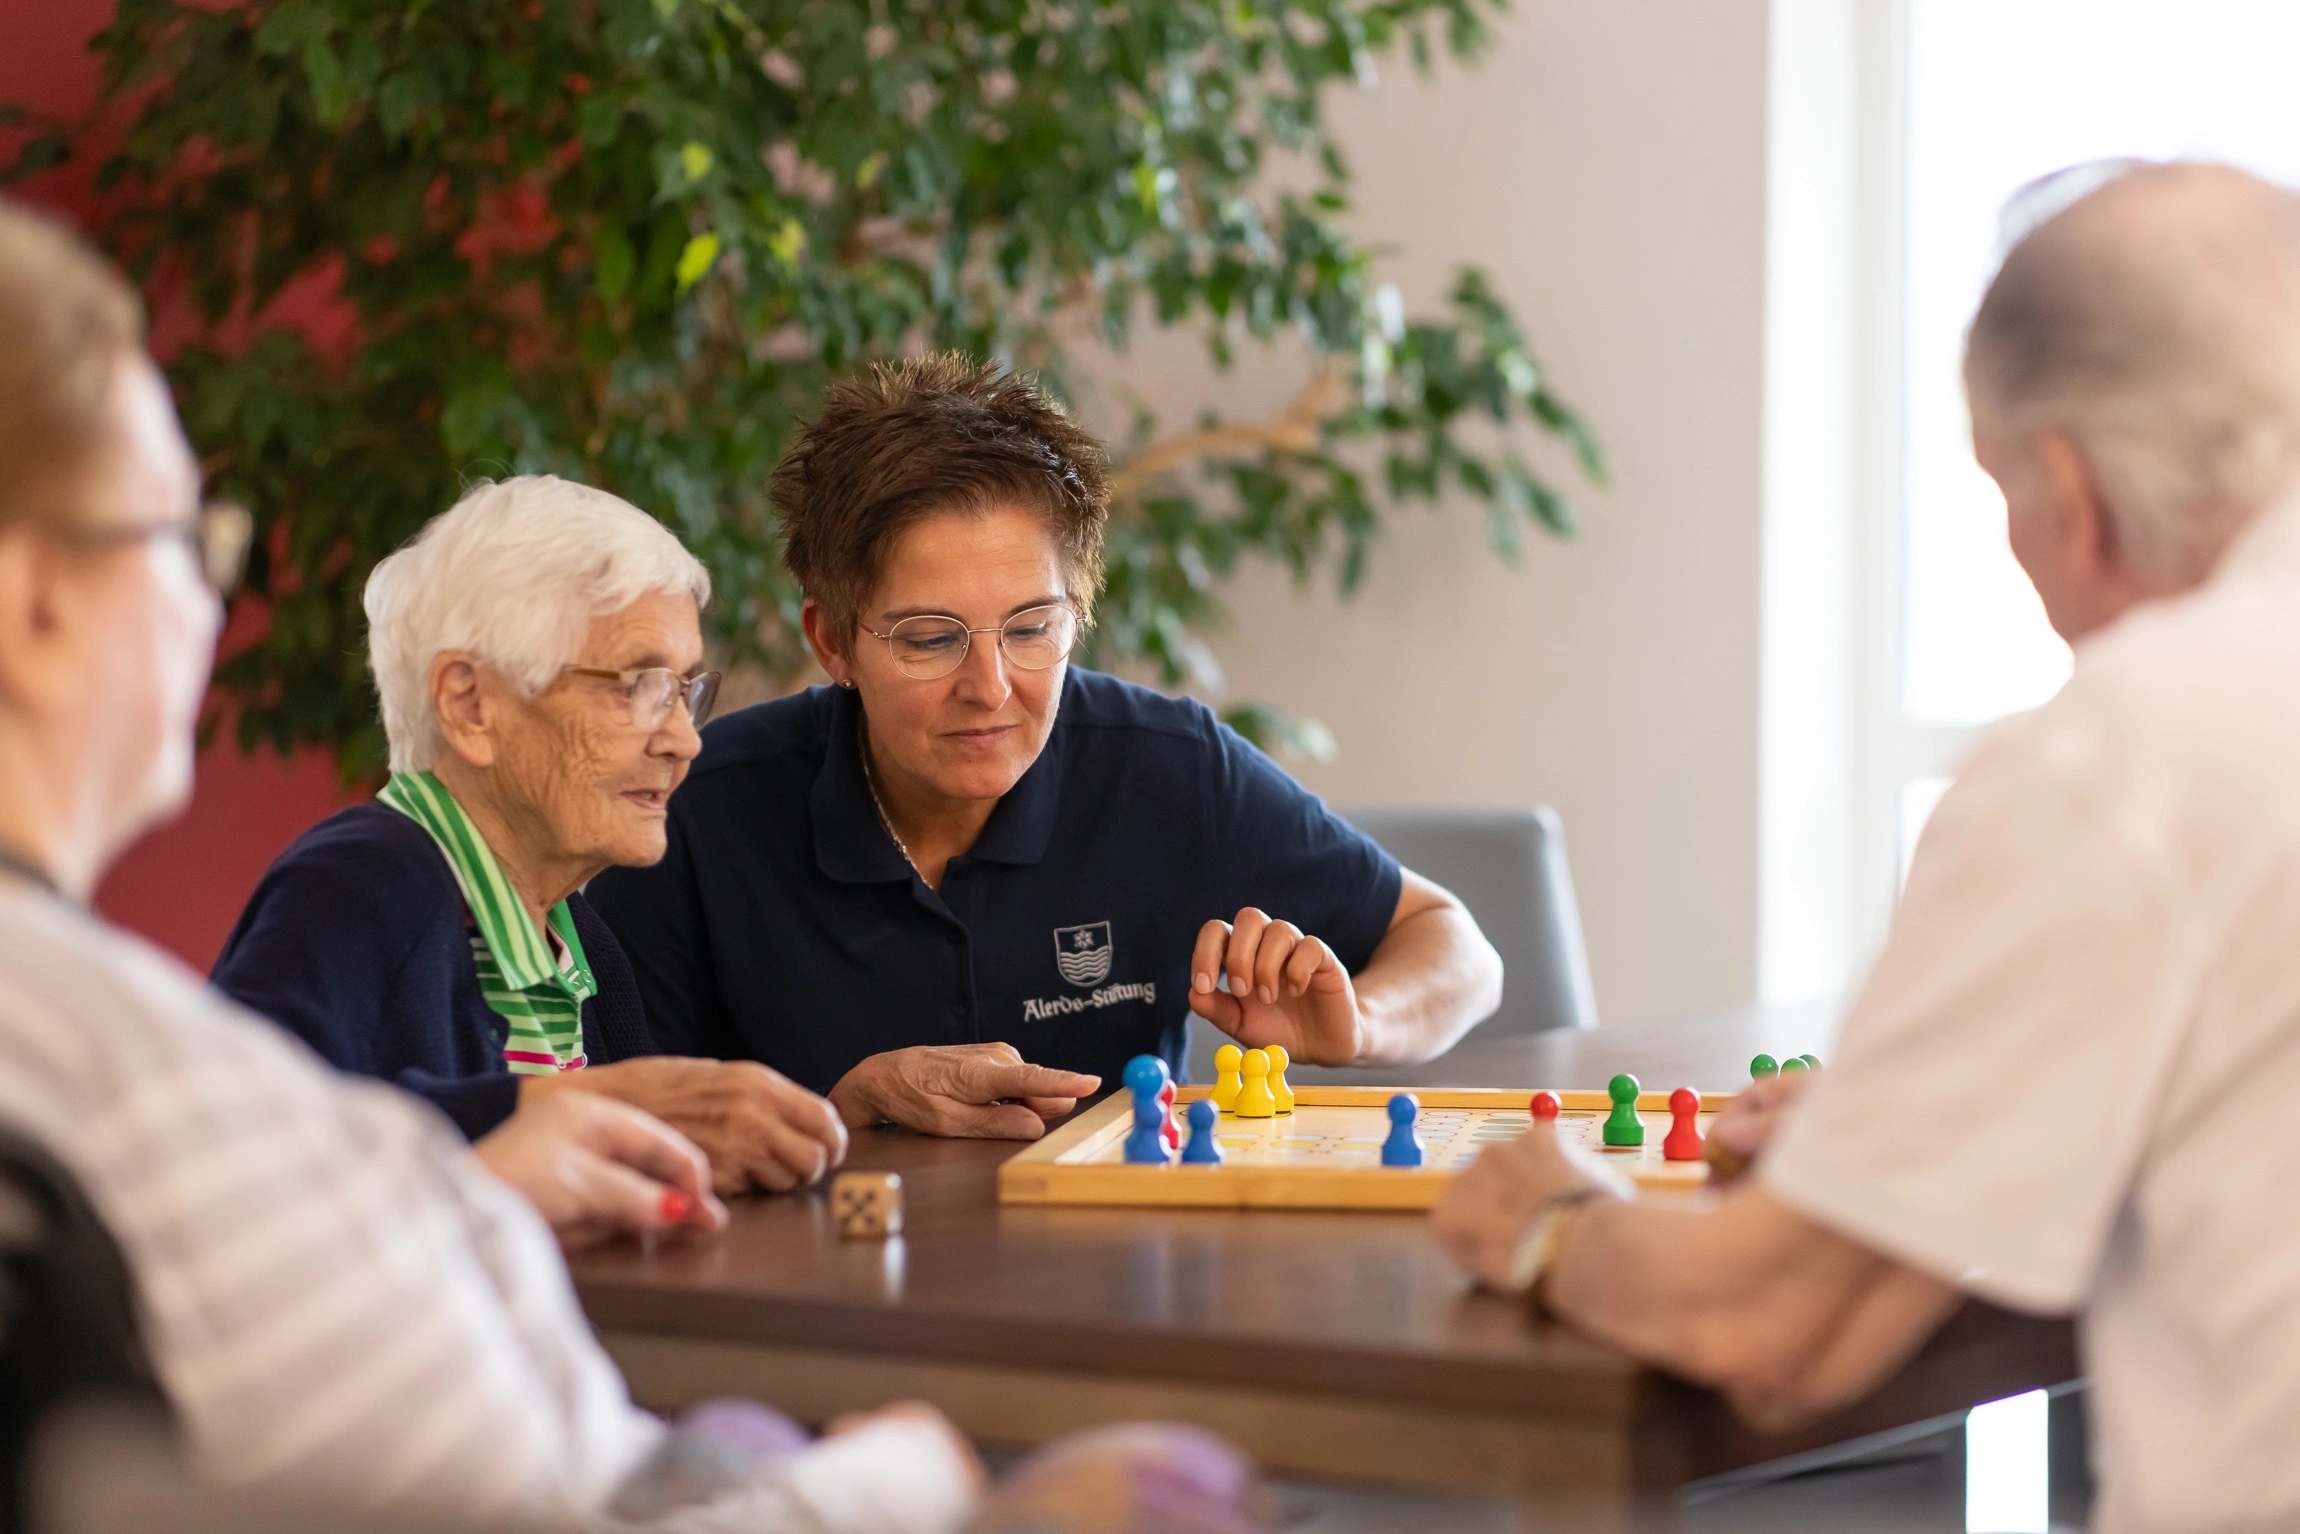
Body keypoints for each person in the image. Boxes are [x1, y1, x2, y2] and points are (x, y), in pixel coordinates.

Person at [0, 195, 1268, 1533]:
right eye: (181, 544)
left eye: (688, 685)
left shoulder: (565, 941)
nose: (685, 735)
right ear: (34, 604)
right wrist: (909, 1482)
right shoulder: (182, 1051)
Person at [1432, 162, 2300, 1534]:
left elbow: (1773, 1325)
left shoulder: (2131, 746)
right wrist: (1906, 1136)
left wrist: (1549, 1220)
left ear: (2065, 490)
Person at [589, 355, 1505, 1139]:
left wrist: (1359, 1023)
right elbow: (607, 1129)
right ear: (833, 641)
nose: (990, 687)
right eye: (929, 638)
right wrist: (839, 1115)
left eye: (1032, 628)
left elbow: (1456, 948)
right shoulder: (697, 815)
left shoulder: (1163, 769)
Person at [212, 478, 849, 1193]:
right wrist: (570, 1109)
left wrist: (830, 1114)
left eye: (684, 690)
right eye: (638, 685)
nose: (683, 740)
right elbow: (236, 1140)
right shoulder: (359, 884)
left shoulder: (580, 942)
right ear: (471, 705)